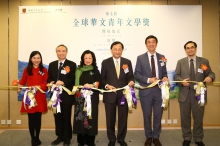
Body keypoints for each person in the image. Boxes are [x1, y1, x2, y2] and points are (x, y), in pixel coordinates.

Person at [174, 41, 215, 146]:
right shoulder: (180, 62)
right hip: (185, 95)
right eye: (188, 48)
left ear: (195, 48)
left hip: (199, 93)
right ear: (185, 50)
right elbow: (176, 76)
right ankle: (187, 137)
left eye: (192, 47)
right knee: (185, 118)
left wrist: (210, 77)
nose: (190, 49)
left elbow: (210, 73)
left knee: (198, 117)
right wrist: (182, 81)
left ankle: (198, 138)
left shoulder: (203, 61)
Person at [134, 35, 168, 146]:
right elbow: (137, 74)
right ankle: (148, 136)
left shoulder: (162, 57)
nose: (151, 44)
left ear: (156, 44)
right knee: (147, 115)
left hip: (159, 91)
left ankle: (156, 137)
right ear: (146, 44)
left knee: (158, 115)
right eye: (149, 42)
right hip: (146, 92)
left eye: (153, 42)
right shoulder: (140, 58)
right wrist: (149, 79)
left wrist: (165, 77)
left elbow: (164, 73)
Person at [101, 41, 135, 146]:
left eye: (119, 49)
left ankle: (121, 139)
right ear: (111, 50)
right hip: (110, 94)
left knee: (122, 118)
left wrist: (131, 81)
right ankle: (111, 139)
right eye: (115, 49)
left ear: (122, 50)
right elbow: (102, 78)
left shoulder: (127, 62)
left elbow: (130, 76)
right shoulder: (105, 62)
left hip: (123, 95)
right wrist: (107, 86)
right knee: (110, 119)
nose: (117, 51)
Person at [47, 44, 76, 146]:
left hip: (66, 95)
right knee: (57, 117)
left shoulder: (72, 64)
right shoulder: (52, 64)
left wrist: (63, 82)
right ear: (56, 53)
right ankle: (59, 136)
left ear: (66, 52)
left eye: (63, 51)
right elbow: (49, 78)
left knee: (66, 117)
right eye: (59, 51)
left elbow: (72, 79)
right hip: (55, 95)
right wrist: (51, 82)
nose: (61, 53)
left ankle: (67, 138)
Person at [18, 51, 48, 146]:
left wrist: (39, 87)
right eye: (34, 58)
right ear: (31, 59)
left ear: (40, 59)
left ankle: (37, 137)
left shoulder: (44, 70)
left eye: (38, 58)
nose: (36, 60)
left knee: (38, 118)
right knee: (31, 119)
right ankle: (33, 138)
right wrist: (19, 86)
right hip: (30, 97)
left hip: (40, 96)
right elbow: (23, 81)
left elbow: (46, 84)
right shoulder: (27, 69)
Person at [73, 50, 102, 146]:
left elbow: (99, 83)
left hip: (92, 99)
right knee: (80, 119)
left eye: (90, 58)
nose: (88, 60)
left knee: (91, 119)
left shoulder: (95, 70)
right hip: (79, 99)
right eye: (86, 58)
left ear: (93, 59)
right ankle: (81, 141)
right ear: (82, 59)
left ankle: (90, 141)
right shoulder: (78, 70)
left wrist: (92, 85)